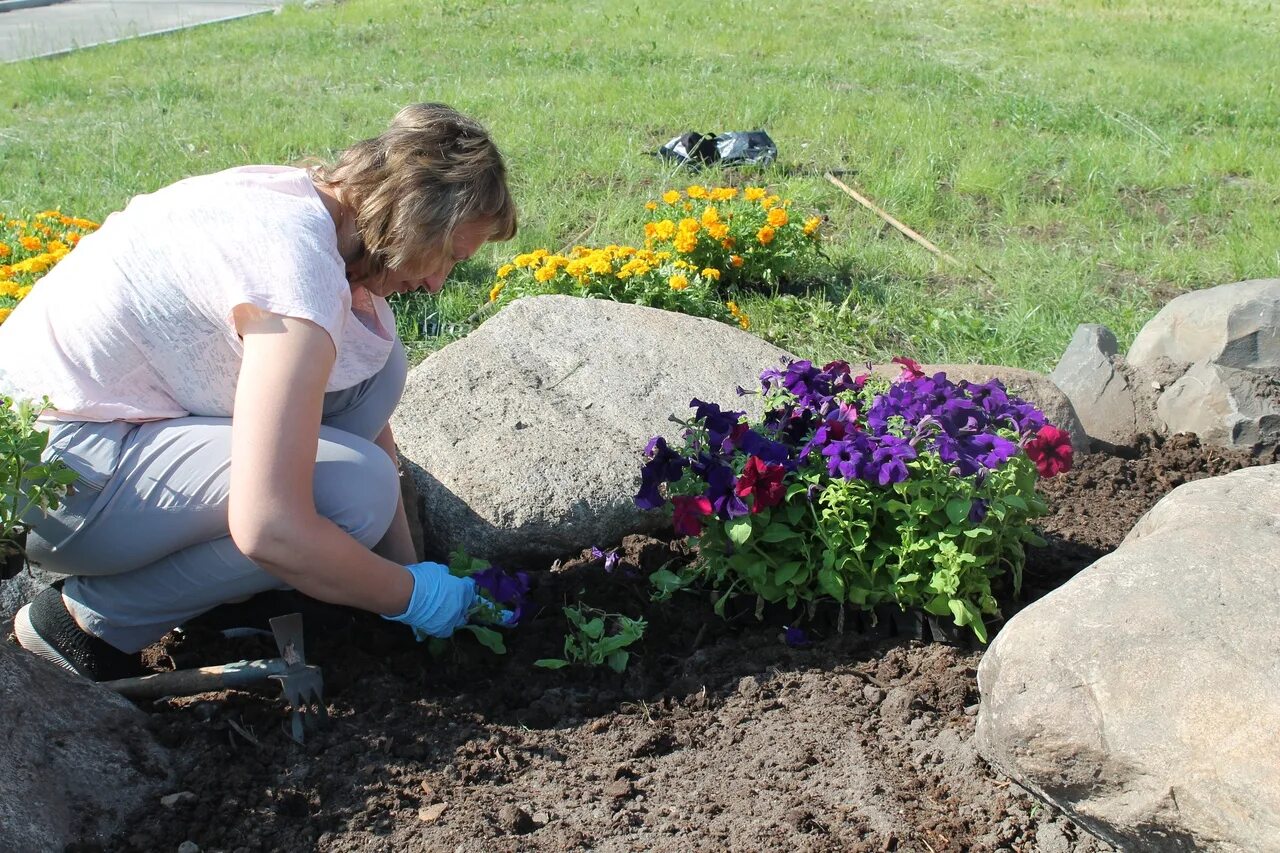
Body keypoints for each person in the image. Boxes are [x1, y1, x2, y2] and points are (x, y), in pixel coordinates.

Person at [0, 103, 517, 681]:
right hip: (50, 481)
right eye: (449, 256)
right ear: (417, 219)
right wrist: (411, 596)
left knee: (375, 367)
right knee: (354, 493)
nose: (437, 282)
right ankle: (86, 622)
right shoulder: (296, 276)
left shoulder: (306, 204)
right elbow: (269, 524)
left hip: (87, 430)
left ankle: (244, 592)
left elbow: (363, 416)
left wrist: (406, 567)